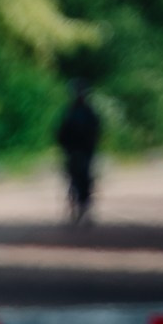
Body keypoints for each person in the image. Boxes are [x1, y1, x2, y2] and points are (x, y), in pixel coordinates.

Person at [58, 80, 100, 225]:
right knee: (75, 181)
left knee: (84, 180)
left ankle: (84, 211)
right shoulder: (74, 111)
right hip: (74, 151)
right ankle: (77, 210)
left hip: (84, 151)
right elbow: (61, 133)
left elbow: (95, 132)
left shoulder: (83, 112)